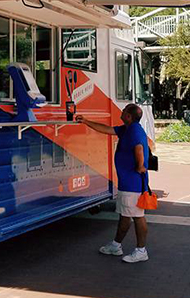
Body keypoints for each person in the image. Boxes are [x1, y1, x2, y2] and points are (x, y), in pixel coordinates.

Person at [77, 104, 150, 263]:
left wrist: (139, 166)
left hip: (133, 183)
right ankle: (116, 245)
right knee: (126, 215)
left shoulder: (133, 130)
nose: (121, 112)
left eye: (124, 111)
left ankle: (141, 250)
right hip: (129, 182)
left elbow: (139, 148)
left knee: (137, 216)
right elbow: (107, 129)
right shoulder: (127, 128)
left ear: (129, 116)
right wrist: (86, 121)